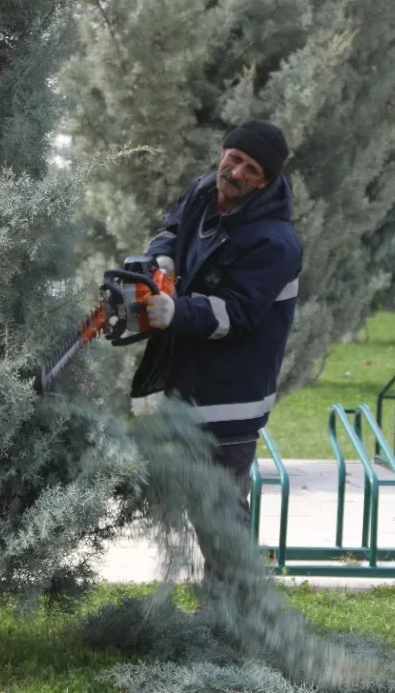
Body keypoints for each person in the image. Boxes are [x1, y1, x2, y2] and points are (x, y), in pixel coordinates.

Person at [129, 119, 303, 518]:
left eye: (252, 170)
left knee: (219, 516)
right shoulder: (204, 191)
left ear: (264, 182)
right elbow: (171, 226)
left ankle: (240, 583)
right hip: (189, 382)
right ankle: (226, 583)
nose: (237, 172)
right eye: (235, 158)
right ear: (223, 154)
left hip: (231, 397)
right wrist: (163, 257)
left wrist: (176, 311)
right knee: (202, 510)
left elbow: (235, 312)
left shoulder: (275, 243)